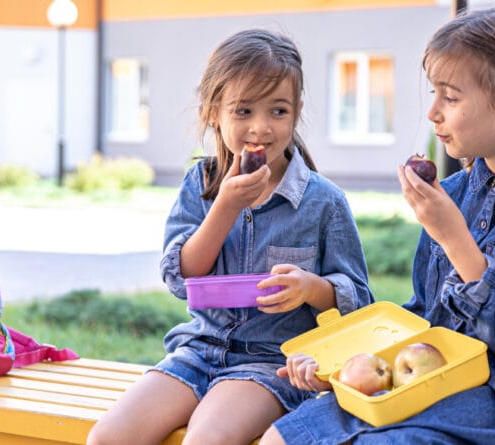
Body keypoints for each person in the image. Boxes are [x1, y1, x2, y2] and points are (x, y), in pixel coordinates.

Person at [260, 5, 495, 445]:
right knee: (283, 437)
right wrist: (349, 370)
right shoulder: (452, 194)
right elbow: (424, 320)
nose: (432, 111)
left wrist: (456, 239)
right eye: (433, 92)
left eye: (450, 97)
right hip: (430, 385)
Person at [85, 29, 372, 445]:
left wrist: (311, 288)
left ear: (297, 112)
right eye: (243, 111)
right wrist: (225, 206)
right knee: (108, 437)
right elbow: (180, 278)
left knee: (207, 439)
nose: (261, 127)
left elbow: (358, 298)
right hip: (198, 350)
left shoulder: (323, 202)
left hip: (272, 362)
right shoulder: (200, 185)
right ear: (213, 112)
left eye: (278, 111)